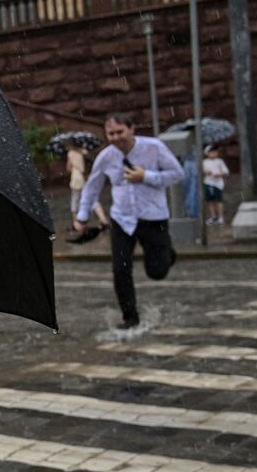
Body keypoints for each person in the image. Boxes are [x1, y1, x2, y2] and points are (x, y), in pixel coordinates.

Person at [73, 113, 183, 329]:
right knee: (120, 269)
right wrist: (83, 215)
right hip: (122, 220)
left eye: (120, 132)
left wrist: (147, 177)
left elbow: (177, 174)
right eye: (111, 133)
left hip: (153, 217)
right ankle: (130, 317)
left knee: (157, 272)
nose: (116, 137)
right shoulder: (105, 157)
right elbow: (92, 187)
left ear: (131, 129)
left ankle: (168, 254)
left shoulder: (154, 147)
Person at [66, 141, 109, 233]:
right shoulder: (85, 152)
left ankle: (77, 224)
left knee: (75, 200)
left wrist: (73, 164)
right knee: (92, 199)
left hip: (77, 178)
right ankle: (103, 219)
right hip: (87, 177)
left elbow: (68, 168)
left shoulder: (71, 153)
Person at [203, 145, 230, 225]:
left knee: (218, 201)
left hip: (218, 184)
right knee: (210, 201)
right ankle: (213, 216)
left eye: (215, 151)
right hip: (208, 183)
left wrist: (219, 174)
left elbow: (226, 172)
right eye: (211, 152)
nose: (214, 153)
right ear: (207, 153)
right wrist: (206, 172)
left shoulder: (220, 161)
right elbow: (203, 171)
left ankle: (220, 217)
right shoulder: (204, 162)